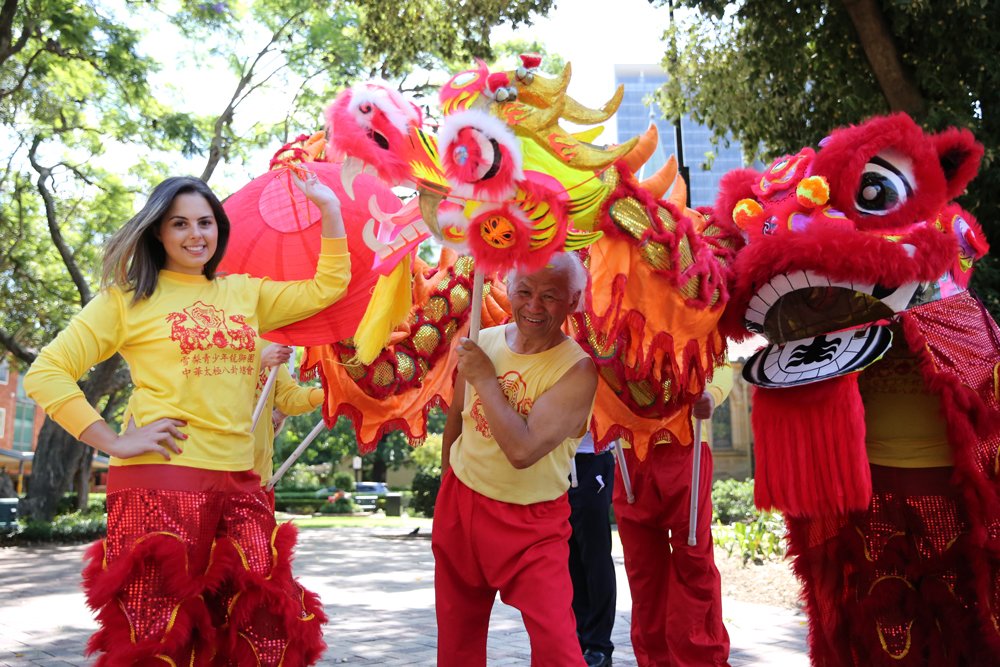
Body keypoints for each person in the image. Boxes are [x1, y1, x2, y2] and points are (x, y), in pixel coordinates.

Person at [23, 173, 349, 666]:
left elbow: (329, 286)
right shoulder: (126, 300)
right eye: (179, 224)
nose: (196, 234)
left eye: (205, 222)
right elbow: (46, 372)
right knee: (159, 634)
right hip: (161, 480)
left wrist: (329, 208)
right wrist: (111, 441)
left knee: (261, 626)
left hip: (240, 477)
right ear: (158, 231)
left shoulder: (245, 293)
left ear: (219, 229)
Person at [433, 252, 598, 667]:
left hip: (532, 526)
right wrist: (447, 484)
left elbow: (523, 451)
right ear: (507, 287)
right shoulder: (483, 341)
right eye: (524, 291)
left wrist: (486, 378)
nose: (534, 306)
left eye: (550, 296)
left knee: (558, 646)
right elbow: (458, 418)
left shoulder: (577, 370)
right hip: (462, 504)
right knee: (457, 643)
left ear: (574, 300)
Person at [612, 364, 734, 667]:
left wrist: (712, 394)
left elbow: (719, 360)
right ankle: (654, 660)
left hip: (685, 445)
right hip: (629, 453)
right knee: (643, 569)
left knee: (693, 561)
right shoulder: (606, 317)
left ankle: (700, 660)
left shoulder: (695, 313)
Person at [568, 432, 617, 667]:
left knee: (594, 554)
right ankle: (577, 637)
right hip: (554, 462)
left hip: (592, 458)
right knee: (569, 557)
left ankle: (599, 646)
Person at [253, 340, 324, 498]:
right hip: (207, 471)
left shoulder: (266, 343)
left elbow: (289, 397)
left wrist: (330, 394)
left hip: (258, 477)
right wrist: (259, 362)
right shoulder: (202, 335)